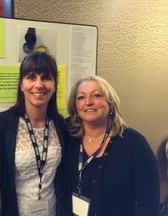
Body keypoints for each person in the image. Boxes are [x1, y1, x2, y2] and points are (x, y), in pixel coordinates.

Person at [64, 75, 160, 216]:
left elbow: (148, 204)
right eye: (81, 97)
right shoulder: (68, 139)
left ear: (110, 104)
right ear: (75, 107)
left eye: (96, 95)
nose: (88, 102)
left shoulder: (135, 144)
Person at [0, 51, 67, 216]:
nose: (39, 84)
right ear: (21, 85)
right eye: (31, 77)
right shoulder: (2, 124)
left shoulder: (60, 125)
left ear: (54, 86)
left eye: (46, 77)